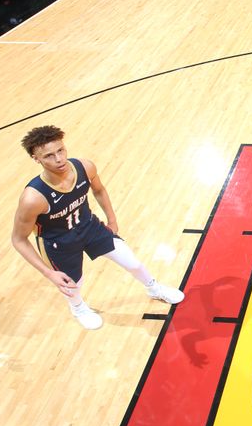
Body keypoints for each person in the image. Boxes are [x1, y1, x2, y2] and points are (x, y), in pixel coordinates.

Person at [11, 125, 185, 330]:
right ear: (36, 158)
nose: (59, 159)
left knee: (133, 262)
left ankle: (154, 288)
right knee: (73, 284)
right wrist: (48, 273)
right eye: (49, 155)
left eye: (61, 150)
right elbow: (18, 239)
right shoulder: (33, 198)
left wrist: (112, 220)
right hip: (59, 242)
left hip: (89, 226)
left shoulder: (84, 167)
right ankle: (78, 308)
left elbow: (100, 190)